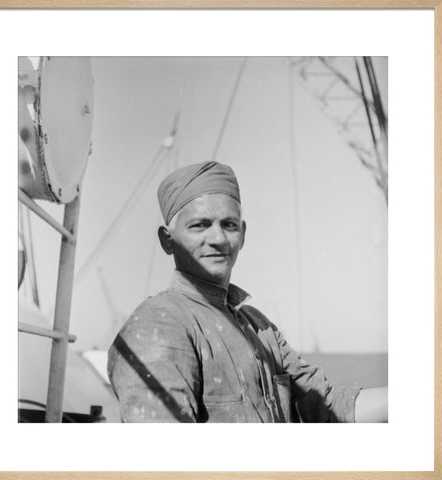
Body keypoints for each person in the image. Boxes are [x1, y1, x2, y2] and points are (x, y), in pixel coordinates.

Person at [107, 161, 387, 423]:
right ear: (167, 241)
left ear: (242, 234)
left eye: (228, 225)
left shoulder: (258, 327)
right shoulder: (160, 324)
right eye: (199, 225)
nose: (218, 239)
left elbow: (327, 404)